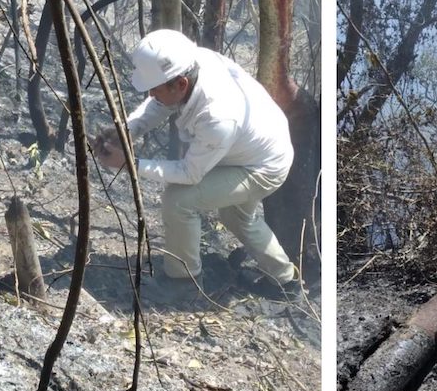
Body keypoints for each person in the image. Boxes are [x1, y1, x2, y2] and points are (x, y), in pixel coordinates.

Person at [94, 29, 301, 302]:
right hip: (251, 149)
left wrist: (130, 164)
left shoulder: (218, 116)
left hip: (264, 166)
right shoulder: (192, 64)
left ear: (180, 83)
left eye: (155, 88)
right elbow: (161, 101)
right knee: (236, 216)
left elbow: (189, 173)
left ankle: (184, 283)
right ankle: (286, 282)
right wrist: (127, 131)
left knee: (179, 200)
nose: (152, 94)